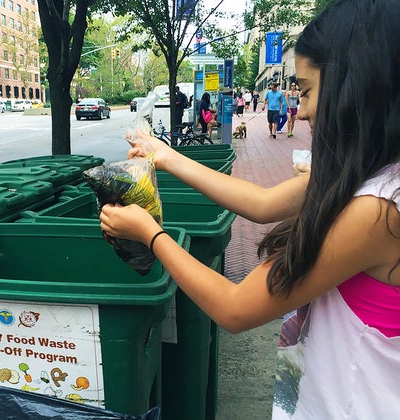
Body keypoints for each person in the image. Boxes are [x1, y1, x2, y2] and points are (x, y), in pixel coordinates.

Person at [100, 0, 400, 418]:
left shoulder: (379, 211)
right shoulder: (366, 173)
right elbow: (260, 204)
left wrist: (150, 234)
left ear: (362, 88)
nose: (305, 109)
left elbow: (236, 308)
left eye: (309, 90)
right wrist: (163, 155)